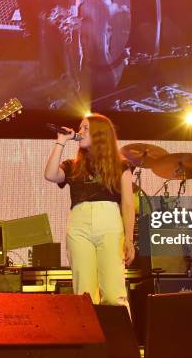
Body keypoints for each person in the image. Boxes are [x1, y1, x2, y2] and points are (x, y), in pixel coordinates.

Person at [44, 114, 135, 309]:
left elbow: (128, 205)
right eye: (80, 128)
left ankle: (119, 339)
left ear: (100, 133)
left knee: (113, 293)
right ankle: (90, 339)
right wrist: (61, 142)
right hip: (79, 224)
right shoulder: (72, 165)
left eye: (86, 128)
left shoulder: (121, 165)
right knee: (84, 293)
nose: (79, 132)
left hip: (109, 223)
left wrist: (129, 239)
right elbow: (50, 174)